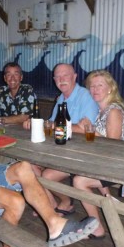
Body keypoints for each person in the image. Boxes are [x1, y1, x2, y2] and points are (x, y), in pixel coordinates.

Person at [23, 63, 100, 215]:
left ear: (74, 77)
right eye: (57, 76)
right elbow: (51, 124)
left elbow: (87, 130)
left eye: (65, 75)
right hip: (60, 150)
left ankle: (63, 202)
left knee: (47, 175)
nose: (61, 79)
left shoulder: (85, 96)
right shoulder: (61, 99)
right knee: (28, 164)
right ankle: (51, 203)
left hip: (82, 154)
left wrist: (56, 126)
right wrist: (35, 123)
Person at [72, 70, 124, 238]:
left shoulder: (113, 111)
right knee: (78, 165)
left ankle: (97, 229)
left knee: (79, 181)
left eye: (100, 85)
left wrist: (89, 129)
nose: (95, 89)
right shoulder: (103, 111)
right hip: (111, 161)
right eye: (92, 86)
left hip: (123, 165)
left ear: (110, 89)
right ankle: (108, 198)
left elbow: (112, 145)